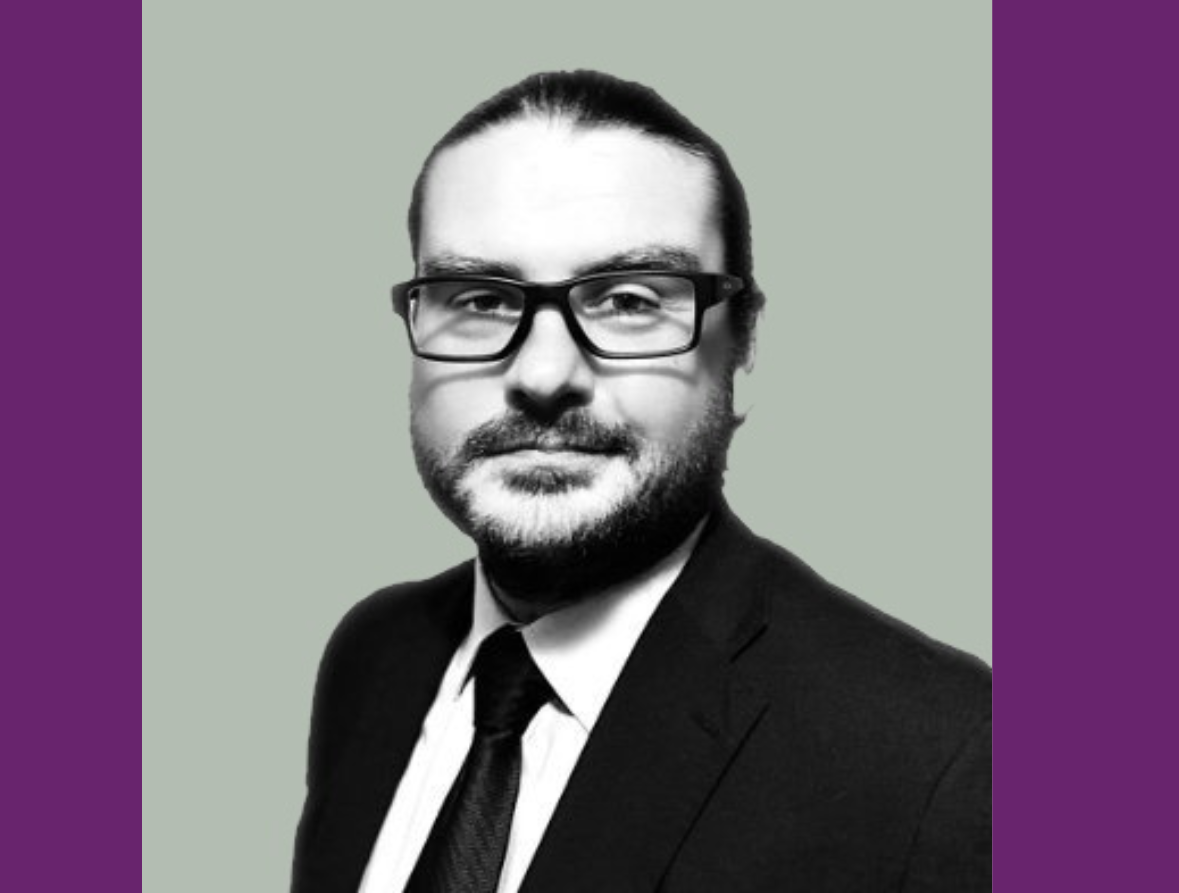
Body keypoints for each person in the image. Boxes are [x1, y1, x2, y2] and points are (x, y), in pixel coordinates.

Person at [293, 70, 990, 893]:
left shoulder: (947, 757)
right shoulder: (374, 654)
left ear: (743, 349)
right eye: (478, 298)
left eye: (627, 299)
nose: (544, 374)